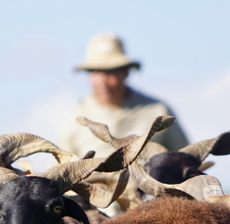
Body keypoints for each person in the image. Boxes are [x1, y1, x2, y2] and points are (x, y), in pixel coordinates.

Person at [61, 33, 189, 158]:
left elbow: (186, 159)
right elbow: (60, 171)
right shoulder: (75, 117)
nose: (103, 81)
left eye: (110, 72)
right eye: (96, 72)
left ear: (126, 72)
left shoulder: (158, 111)